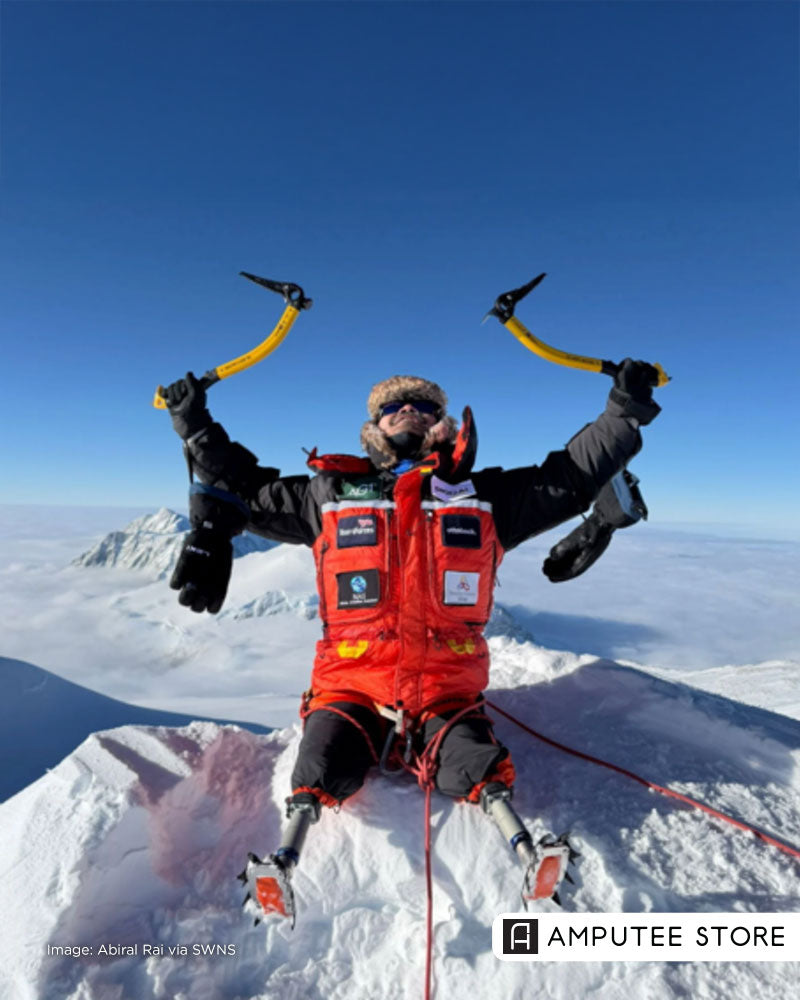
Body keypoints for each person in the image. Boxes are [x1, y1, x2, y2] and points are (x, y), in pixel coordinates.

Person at [162, 362, 661, 919]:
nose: (408, 412)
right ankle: (281, 860)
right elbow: (243, 487)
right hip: (350, 682)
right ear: (374, 423)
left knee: (469, 760)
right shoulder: (326, 495)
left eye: (425, 407)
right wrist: (195, 423)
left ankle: (528, 854)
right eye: (393, 406)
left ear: (440, 423)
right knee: (327, 759)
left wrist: (623, 413)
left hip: (446, 685)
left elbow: (570, 477)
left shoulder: (484, 497)